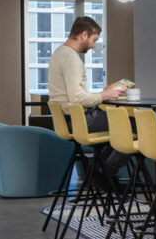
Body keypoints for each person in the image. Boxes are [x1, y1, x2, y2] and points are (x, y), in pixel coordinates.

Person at [47, 16, 129, 175]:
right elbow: (77, 99)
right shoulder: (71, 58)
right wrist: (104, 97)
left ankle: (99, 174)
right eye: (94, 40)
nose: (93, 45)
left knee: (118, 130)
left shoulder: (60, 53)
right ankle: (103, 173)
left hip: (67, 119)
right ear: (84, 35)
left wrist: (102, 93)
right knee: (132, 127)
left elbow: (74, 95)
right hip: (79, 120)